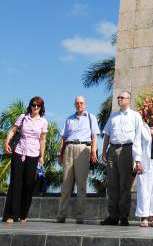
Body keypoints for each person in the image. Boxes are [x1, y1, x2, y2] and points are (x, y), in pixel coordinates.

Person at [2, 96, 48, 223]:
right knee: (15, 183)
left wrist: (41, 156)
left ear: (41, 108)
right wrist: (7, 142)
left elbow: (42, 139)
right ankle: (11, 214)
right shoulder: (23, 117)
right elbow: (13, 130)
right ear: (30, 105)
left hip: (33, 154)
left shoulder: (43, 122)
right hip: (19, 152)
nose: (36, 107)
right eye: (34, 105)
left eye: (38, 106)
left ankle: (23, 214)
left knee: (28, 184)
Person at [101, 90, 142, 226]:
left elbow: (138, 138)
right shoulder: (113, 116)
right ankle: (113, 215)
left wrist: (137, 158)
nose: (119, 99)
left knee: (125, 184)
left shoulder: (135, 116)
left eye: (122, 97)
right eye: (118, 97)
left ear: (129, 100)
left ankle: (123, 216)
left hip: (127, 150)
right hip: (112, 149)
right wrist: (104, 151)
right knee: (112, 184)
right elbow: (107, 134)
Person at [56, 96, 100, 224]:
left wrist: (93, 151)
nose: (79, 105)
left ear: (85, 104)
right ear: (74, 105)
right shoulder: (69, 119)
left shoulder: (91, 118)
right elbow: (63, 138)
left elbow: (94, 136)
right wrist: (60, 153)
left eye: (81, 103)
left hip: (83, 149)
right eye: (77, 103)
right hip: (69, 148)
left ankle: (79, 216)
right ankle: (61, 215)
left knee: (81, 185)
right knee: (66, 184)